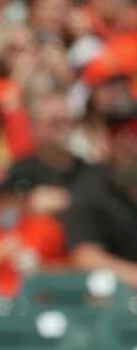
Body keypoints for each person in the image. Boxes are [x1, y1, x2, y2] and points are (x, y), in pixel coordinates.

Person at [64, 120, 137, 287]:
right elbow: (86, 257)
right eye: (118, 134)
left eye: (132, 134)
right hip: (116, 299)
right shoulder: (93, 184)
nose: (126, 142)